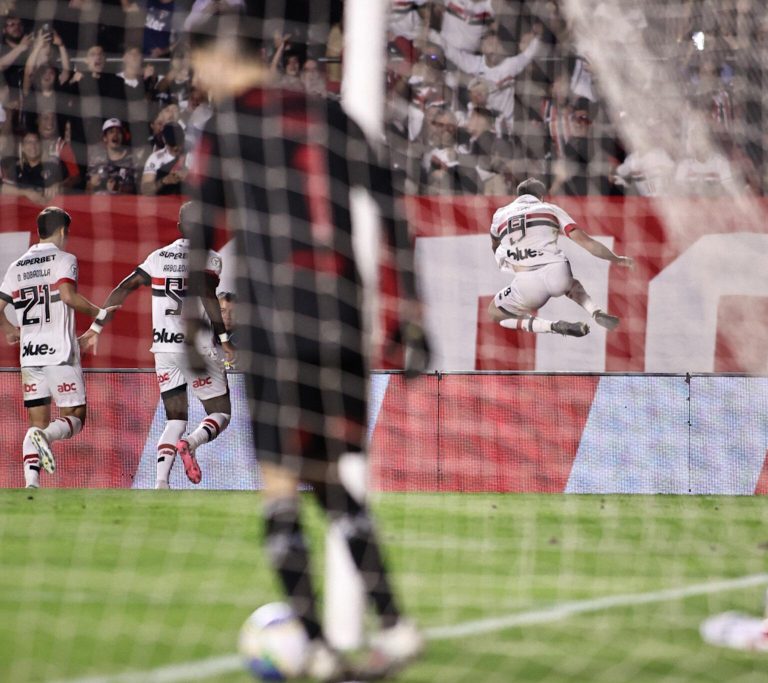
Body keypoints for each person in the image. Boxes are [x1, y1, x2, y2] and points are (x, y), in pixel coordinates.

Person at [186, 13, 430, 681]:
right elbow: (392, 212)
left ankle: (318, 650)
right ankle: (398, 626)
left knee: (282, 488)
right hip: (342, 320)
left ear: (212, 61)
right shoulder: (330, 116)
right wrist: (412, 316)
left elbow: (200, 231)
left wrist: (187, 324)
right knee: (331, 480)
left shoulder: (225, 126)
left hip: (276, 321)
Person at [81, 202, 234, 488]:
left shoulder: (158, 257)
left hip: (163, 349)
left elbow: (123, 288)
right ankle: (191, 442)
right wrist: (224, 338)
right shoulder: (210, 258)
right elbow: (208, 296)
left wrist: (95, 326)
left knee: (174, 418)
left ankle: (161, 483)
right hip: (196, 350)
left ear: (179, 227)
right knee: (220, 413)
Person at [0, 207, 117, 488]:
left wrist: (8, 330)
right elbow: (67, 295)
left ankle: (31, 483)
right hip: (60, 354)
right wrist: (100, 314)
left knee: (37, 422)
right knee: (75, 417)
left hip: (29, 356)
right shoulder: (64, 259)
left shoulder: (17, 266)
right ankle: (47, 439)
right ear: (63, 231)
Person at [488, 177, 633, 337]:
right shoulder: (550, 209)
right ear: (541, 196)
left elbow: (495, 244)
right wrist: (617, 259)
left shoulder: (500, 214)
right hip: (558, 273)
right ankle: (595, 311)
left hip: (527, 285)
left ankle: (554, 326)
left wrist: (506, 259)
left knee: (495, 312)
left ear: (518, 195)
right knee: (570, 283)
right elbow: (586, 242)